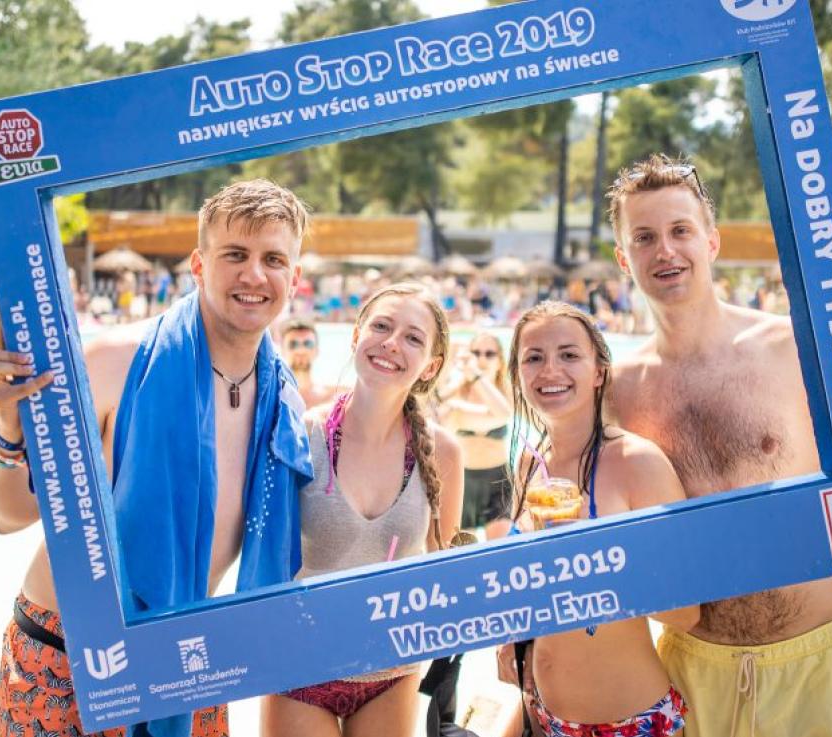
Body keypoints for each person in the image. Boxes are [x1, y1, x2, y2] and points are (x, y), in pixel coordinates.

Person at [604, 155, 832, 737]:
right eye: (645, 237)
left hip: (821, 668)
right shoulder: (617, 392)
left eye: (681, 230)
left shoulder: (796, 349)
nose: (666, 251)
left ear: (712, 241)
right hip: (691, 677)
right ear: (623, 258)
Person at [0, 179, 314, 737]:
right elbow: (6, 513)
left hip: (187, 667)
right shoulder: (112, 363)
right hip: (64, 657)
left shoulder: (283, 404)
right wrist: (7, 425)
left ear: (295, 278)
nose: (255, 275)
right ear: (199, 265)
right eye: (235, 254)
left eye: (273, 259)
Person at [264, 282, 465, 737]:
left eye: (413, 337)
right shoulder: (302, 434)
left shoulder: (444, 453)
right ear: (356, 336)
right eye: (381, 327)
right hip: (300, 665)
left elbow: (443, 574)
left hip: (391, 671)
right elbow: (263, 556)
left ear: (431, 365)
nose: (391, 343)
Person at [496, 301, 697, 737]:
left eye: (569, 355)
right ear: (518, 374)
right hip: (543, 714)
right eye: (534, 358)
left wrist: (593, 557)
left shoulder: (635, 462)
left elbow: (685, 611)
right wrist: (516, 634)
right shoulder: (531, 465)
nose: (550, 370)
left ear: (599, 372)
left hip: (629, 721)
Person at [435, 332, 513, 539]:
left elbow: (504, 413)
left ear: (500, 361)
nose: (482, 359)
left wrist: (460, 405)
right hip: (462, 482)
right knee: (463, 550)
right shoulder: (456, 389)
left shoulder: (505, 390)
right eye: (476, 353)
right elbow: (434, 406)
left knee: (501, 549)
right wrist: (456, 365)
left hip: (498, 482)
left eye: (489, 354)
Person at [279, 318, 336, 409]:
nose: (301, 350)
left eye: (308, 344)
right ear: (283, 351)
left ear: (316, 351)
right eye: (293, 344)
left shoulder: (332, 397)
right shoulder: (275, 397)